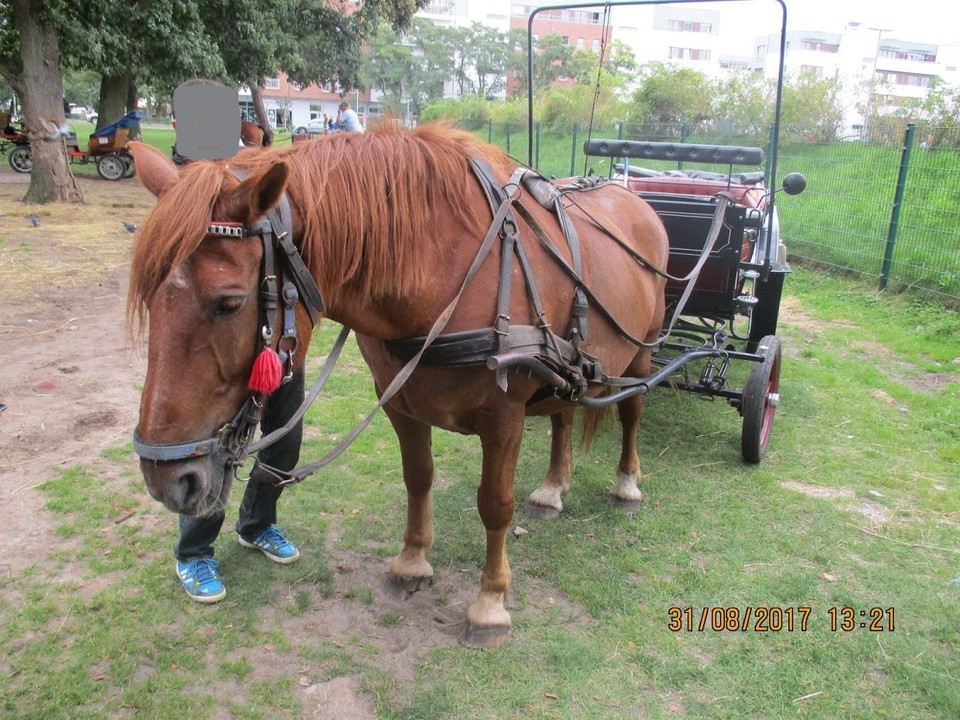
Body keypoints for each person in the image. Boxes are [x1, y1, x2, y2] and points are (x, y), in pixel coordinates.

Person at [175, 367, 305, 603]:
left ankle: (256, 524)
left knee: (286, 438)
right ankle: (193, 552)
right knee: (218, 439)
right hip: (232, 341)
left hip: (287, 342)